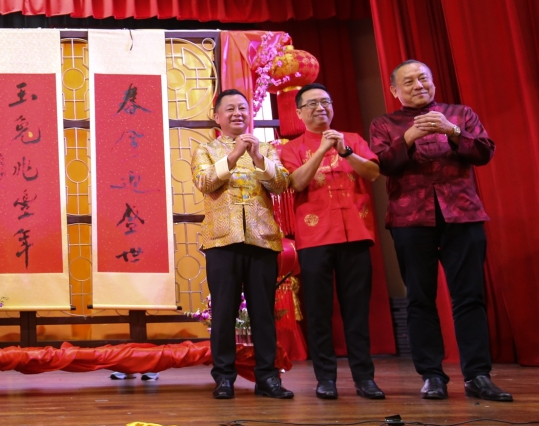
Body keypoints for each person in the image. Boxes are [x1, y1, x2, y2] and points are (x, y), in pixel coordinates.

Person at [369, 60, 511, 402]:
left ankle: (478, 374)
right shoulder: (384, 124)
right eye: (409, 81)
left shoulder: (459, 114)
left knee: (470, 296)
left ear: (432, 82)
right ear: (394, 90)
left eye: (424, 78)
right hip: (410, 219)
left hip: (462, 215)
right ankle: (432, 375)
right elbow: (381, 164)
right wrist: (409, 137)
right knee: (419, 299)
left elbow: (484, 152)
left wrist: (452, 131)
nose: (418, 85)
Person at [279, 83, 385, 400]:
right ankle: (326, 379)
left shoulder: (352, 140)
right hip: (314, 240)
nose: (319, 108)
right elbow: (296, 182)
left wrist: (344, 150)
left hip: (355, 235)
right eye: (311, 104)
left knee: (356, 312)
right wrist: (324, 150)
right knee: (319, 312)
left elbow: (374, 172)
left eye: (325, 102)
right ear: (299, 112)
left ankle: (365, 379)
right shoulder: (291, 148)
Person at [192, 89, 294, 400]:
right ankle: (224, 377)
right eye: (230, 109)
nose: (238, 113)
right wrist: (234, 155)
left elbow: (281, 184)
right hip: (222, 240)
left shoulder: (266, 149)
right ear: (217, 116)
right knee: (224, 312)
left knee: (263, 311)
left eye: (243, 108)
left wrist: (259, 158)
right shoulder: (206, 150)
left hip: (262, 239)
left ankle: (268, 377)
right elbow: (205, 183)